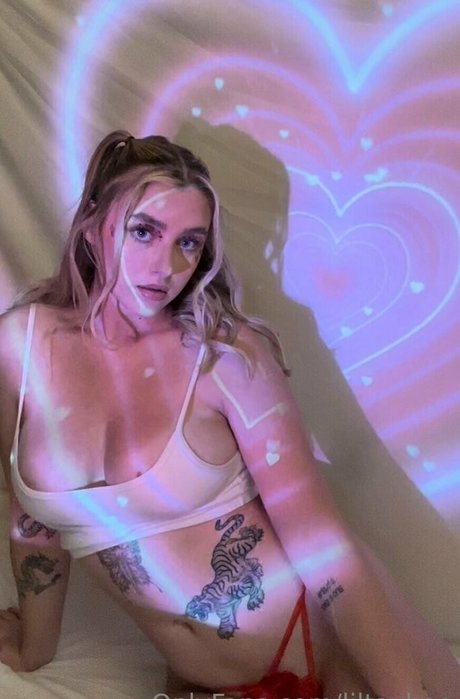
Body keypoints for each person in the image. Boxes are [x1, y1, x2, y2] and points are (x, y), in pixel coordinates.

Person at [0, 131, 457, 698]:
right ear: (94, 227)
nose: (166, 266)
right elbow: (32, 521)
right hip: (200, 682)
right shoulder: (21, 347)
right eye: (144, 232)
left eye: (189, 243)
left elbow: (322, 543)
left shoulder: (225, 357)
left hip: (323, 647)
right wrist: (35, 646)